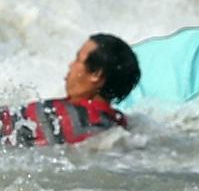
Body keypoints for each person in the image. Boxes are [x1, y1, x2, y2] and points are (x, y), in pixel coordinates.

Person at [1, 35, 140, 148]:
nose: (71, 65)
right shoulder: (119, 122)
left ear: (95, 75)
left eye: (78, 59)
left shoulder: (78, 122)